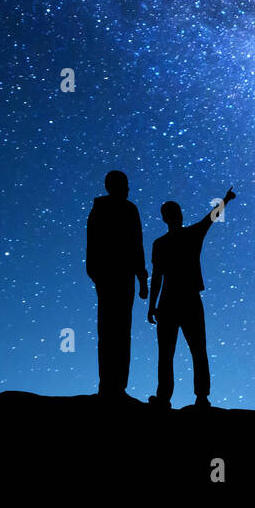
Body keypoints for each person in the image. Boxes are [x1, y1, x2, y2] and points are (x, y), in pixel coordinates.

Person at [147, 187, 236, 409]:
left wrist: (152, 305)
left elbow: (157, 276)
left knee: (171, 352)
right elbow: (211, 218)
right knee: (194, 349)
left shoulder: (162, 243)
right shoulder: (189, 235)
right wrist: (225, 200)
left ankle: (169, 397)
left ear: (165, 218)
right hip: (186, 299)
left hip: (170, 300)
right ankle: (199, 397)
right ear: (177, 216)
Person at [85, 170, 149, 400]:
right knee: (114, 331)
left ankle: (116, 386)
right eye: (126, 184)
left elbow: (136, 245)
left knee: (116, 331)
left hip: (118, 277)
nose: (128, 188)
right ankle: (110, 386)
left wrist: (141, 278)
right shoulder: (108, 209)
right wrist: (97, 274)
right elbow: (134, 245)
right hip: (112, 277)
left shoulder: (125, 209)